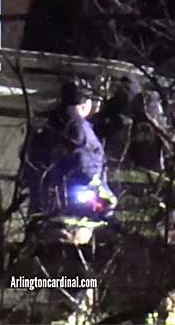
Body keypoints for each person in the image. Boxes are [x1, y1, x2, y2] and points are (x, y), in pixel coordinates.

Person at [26, 77, 117, 222]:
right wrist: (104, 197)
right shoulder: (81, 130)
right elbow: (88, 169)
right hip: (74, 215)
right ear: (84, 104)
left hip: (46, 211)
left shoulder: (48, 127)